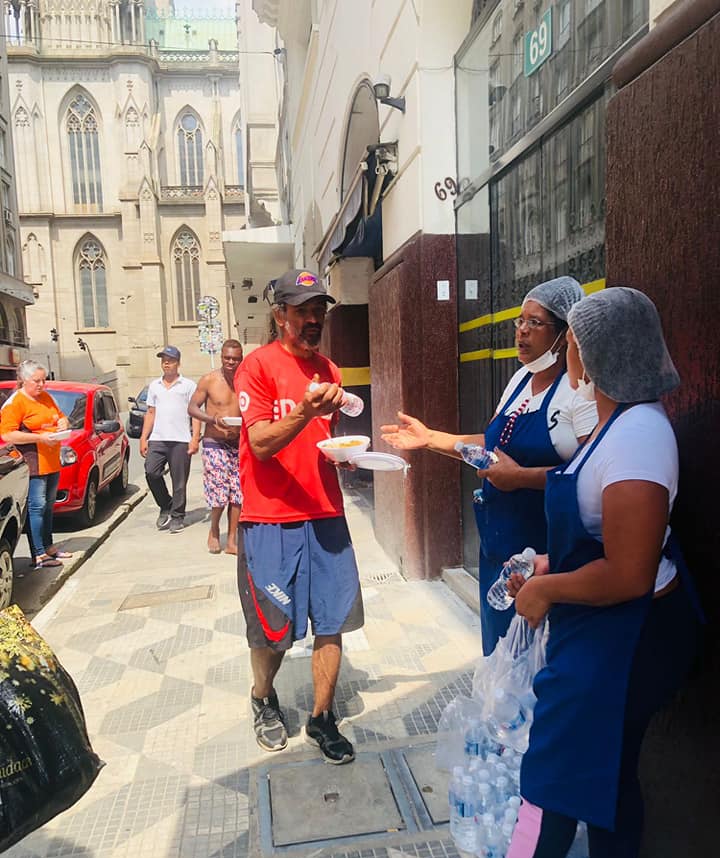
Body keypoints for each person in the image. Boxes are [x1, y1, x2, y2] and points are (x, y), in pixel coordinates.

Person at [431, 288, 702, 858]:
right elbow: (605, 534)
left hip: (633, 633)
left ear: (592, 350)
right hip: (609, 624)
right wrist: (550, 563)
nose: (565, 351)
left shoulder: (639, 436)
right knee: (607, 775)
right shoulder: (615, 422)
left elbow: (631, 571)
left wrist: (548, 589)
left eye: (570, 338)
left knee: (552, 769)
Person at [382, 276, 596, 654]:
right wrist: (431, 438)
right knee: (499, 656)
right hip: (498, 549)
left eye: (535, 323)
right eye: (520, 321)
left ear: (564, 335)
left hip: (542, 555)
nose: (521, 331)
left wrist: (520, 478)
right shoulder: (519, 380)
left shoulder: (577, 392)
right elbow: (492, 446)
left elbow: (590, 474)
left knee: (536, 660)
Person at [235, 268, 364, 763]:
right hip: (270, 519)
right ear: (279, 315)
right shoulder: (257, 367)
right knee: (273, 631)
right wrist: (304, 412)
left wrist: (345, 458)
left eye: (319, 311)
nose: (313, 319)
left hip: (326, 514)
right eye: (303, 311)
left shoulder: (330, 370)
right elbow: (260, 443)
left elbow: (324, 440)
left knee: (332, 621)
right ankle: (263, 696)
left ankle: (321, 717)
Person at [0, 360, 71, 569]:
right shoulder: (16, 403)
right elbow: (8, 434)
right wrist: (39, 438)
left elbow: (61, 416)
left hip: (51, 459)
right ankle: (38, 553)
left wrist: (63, 423)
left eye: (43, 380)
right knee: (37, 507)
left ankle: (48, 547)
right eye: (36, 381)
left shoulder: (46, 397)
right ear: (24, 380)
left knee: (48, 506)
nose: (41, 384)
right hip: (33, 462)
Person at [187, 339, 244, 555]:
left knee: (238, 493)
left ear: (241, 359)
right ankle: (214, 530)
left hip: (238, 442)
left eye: (235, 359)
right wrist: (212, 419)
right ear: (221, 357)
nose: (231, 362)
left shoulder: (245, 381)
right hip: (214, 442)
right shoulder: (209, 380)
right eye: (227, 358)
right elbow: (192, 408)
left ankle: (232, 540)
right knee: (219, 491)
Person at [140, 346, 200, 533]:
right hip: (158, 439)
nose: (166, 363)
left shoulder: (188, 386)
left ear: (178, 363)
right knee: (151, 472)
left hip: (181, 440)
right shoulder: (154, 386)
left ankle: (177, 516)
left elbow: (195, 414)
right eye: (164, 360)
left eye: (170, 360)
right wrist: (144, 437)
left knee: (179, 482)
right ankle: (166, 505)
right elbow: (151, 413)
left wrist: (195, 438)